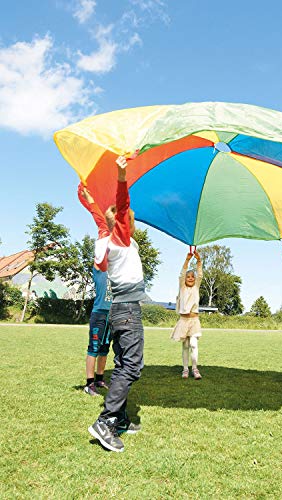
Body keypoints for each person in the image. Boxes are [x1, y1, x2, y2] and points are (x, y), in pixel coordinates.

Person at [81, 155, 146, 453]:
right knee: (132, 366)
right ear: (124, 222)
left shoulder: (116, 240)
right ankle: (106, 421)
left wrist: (90, 200)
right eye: (128, 217)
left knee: (123, 363)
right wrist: (121, 174)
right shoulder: (120, 240)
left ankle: (119, 418)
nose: (131, 219)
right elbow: (121, 207)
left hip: (122, 310)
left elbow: (102, 217)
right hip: (128, 312)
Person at [171, 250, 203, 380]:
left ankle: (195, 369)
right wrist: (187, 260)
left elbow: (200, 274)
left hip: (194, 320)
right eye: (188, 277)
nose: (190, 278)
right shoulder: (182, 288)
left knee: (194, 344)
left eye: (192, 277)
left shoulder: (196, 288)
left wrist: (199, 261)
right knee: (185, 346)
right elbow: (181, 274)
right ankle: (185, 369)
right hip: (184, 320)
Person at [83, 266, 112, 396]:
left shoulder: (118, 273)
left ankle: (100, 379)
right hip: (99, 314)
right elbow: (99, 254)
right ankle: (89, 384)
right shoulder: (100, 271)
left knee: (105, 348)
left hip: (112, 315)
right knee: (94, 347)